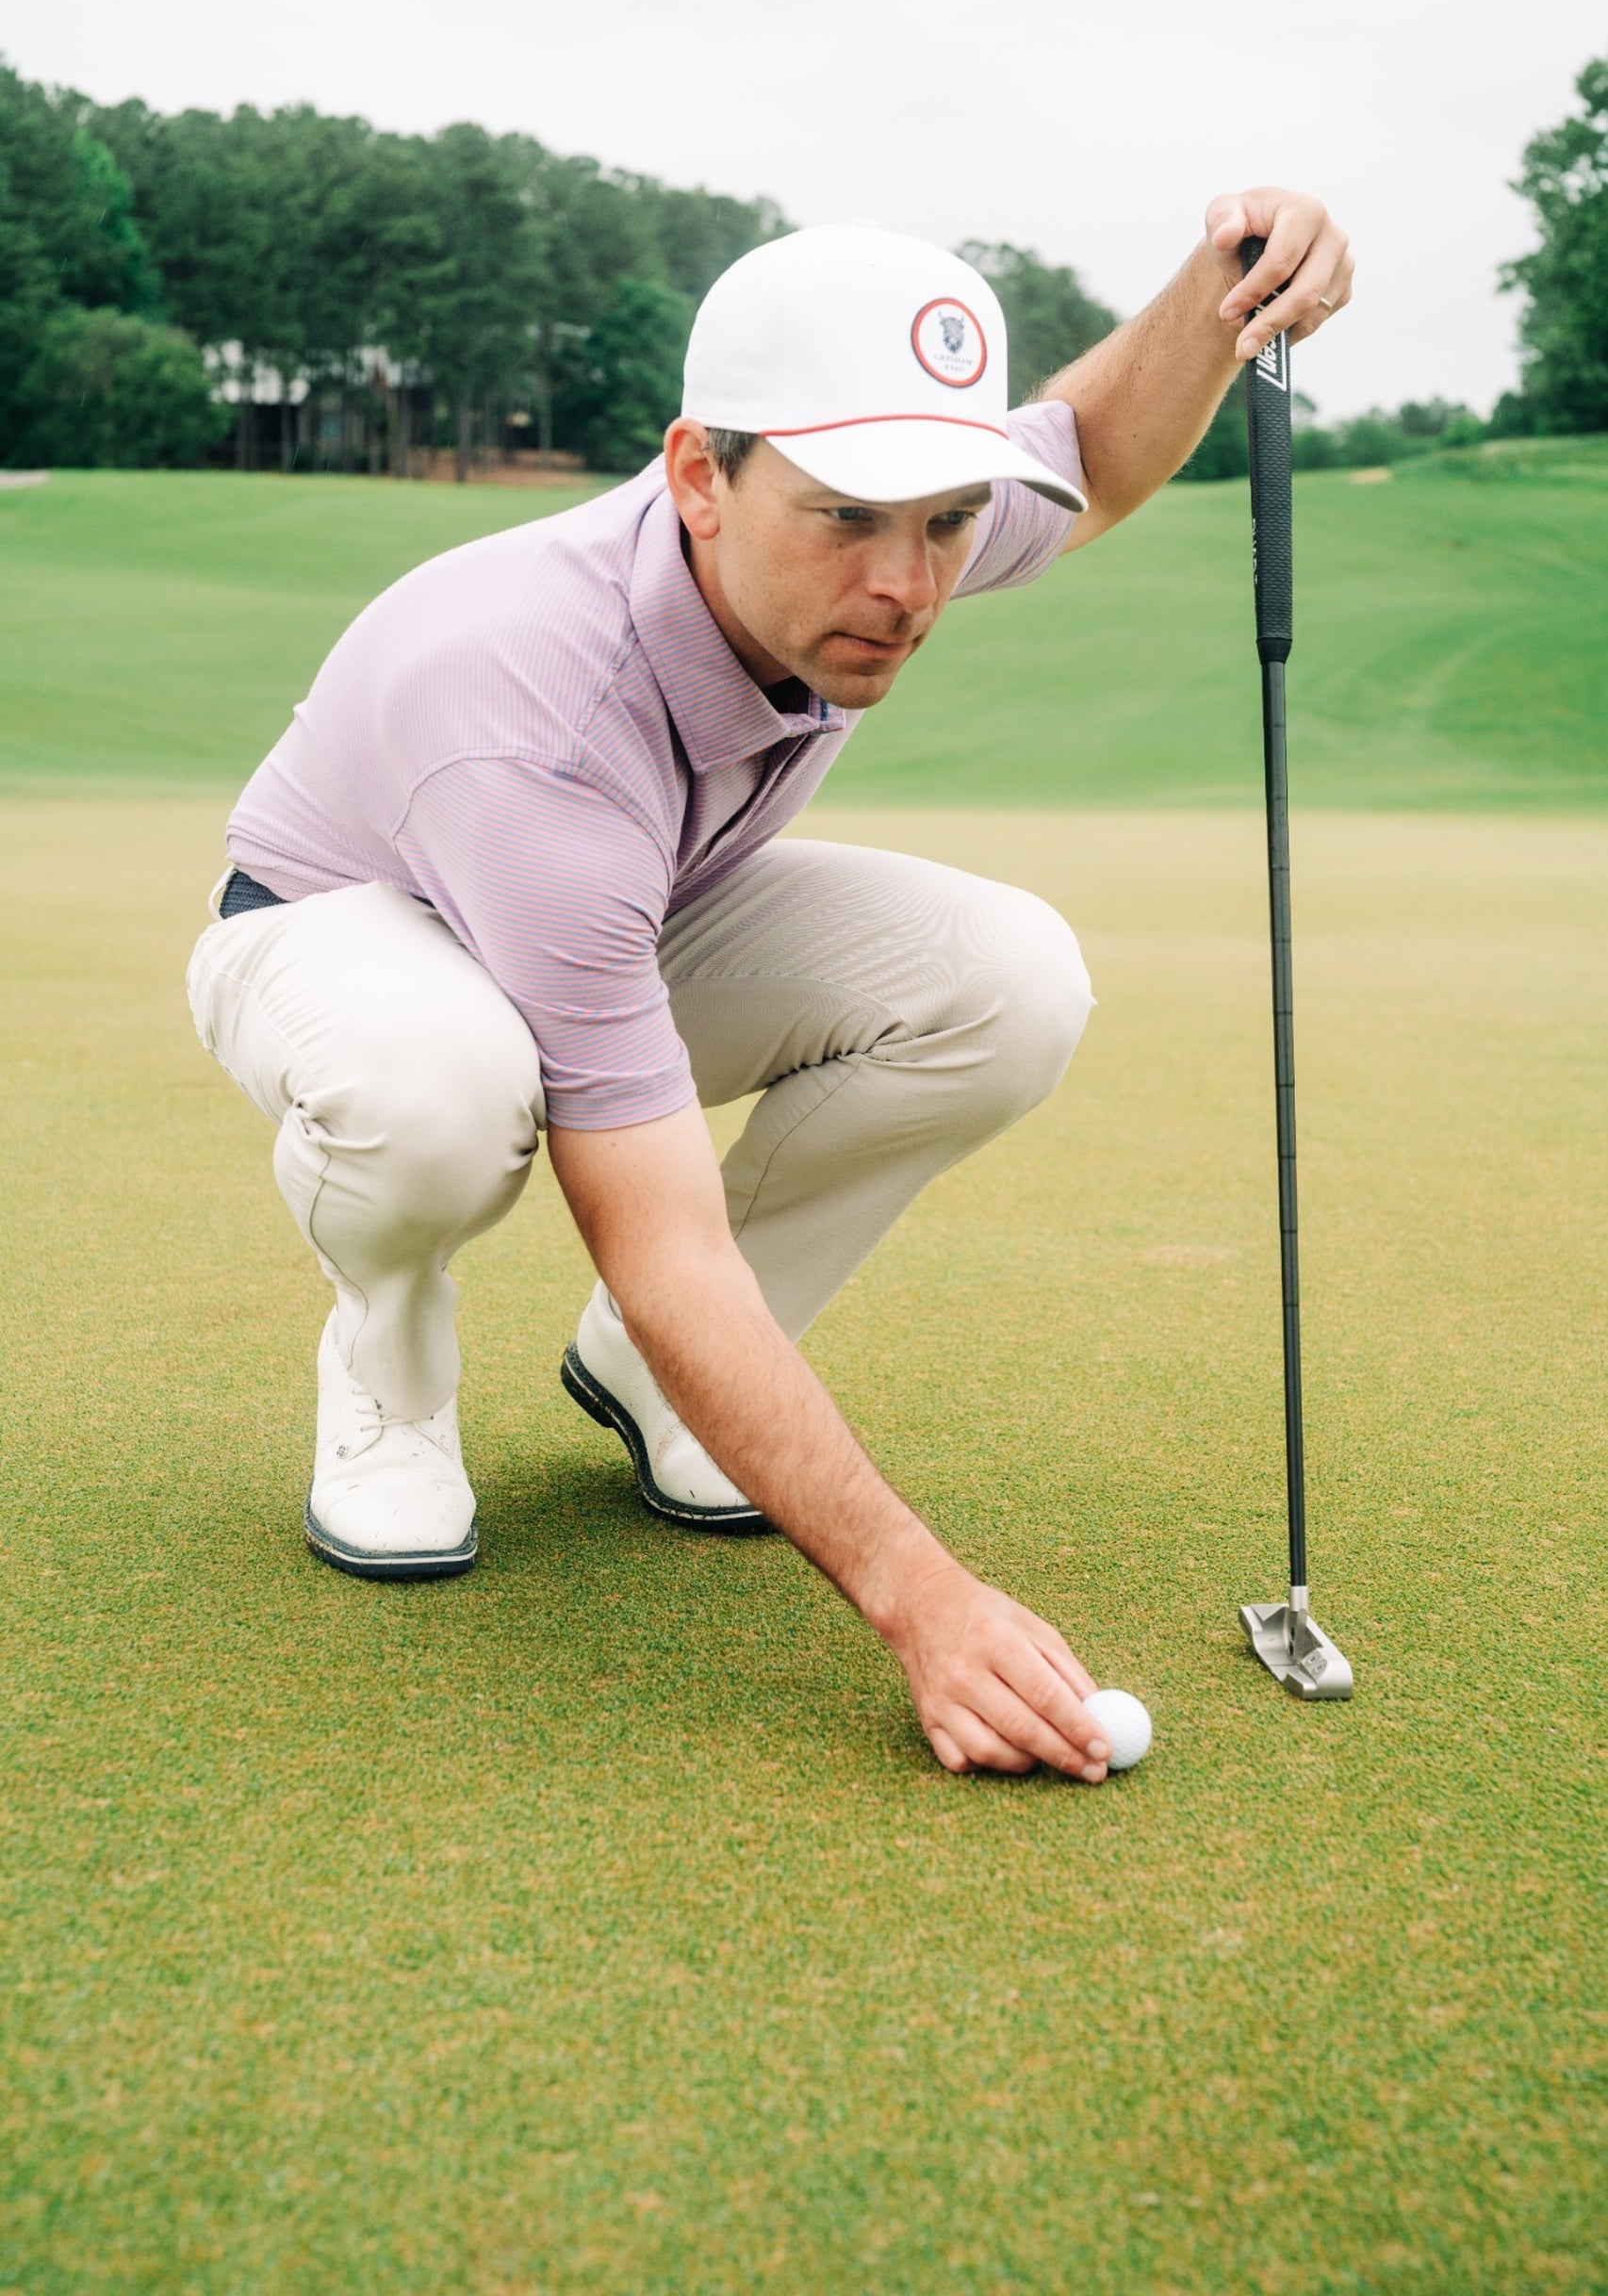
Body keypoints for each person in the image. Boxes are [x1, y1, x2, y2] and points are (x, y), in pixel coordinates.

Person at [188, 189, 1352, 1782]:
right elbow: (650, 1226)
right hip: (337, 925)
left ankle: (652, 1387)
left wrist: (1223, 290)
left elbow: (1082, 451)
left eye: (945, 520)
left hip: (617, 902)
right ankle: (384, 1369)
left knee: (1006, 980)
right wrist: (918, 1598)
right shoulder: (536, 700)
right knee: (439, 1092)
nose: (908, 584)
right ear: (698, 476)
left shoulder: (874, 528)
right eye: (850, 518)